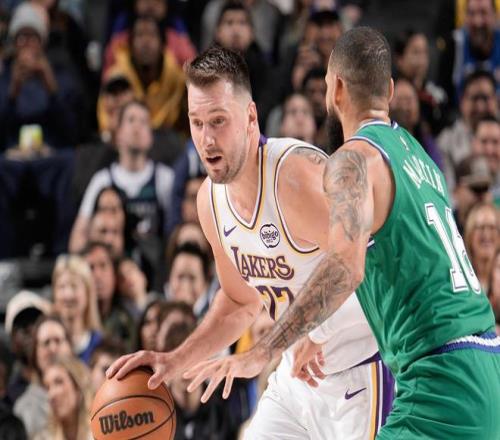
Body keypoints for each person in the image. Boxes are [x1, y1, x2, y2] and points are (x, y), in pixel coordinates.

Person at [179, 27, 500, 439]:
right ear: (389, 90)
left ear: (336, 89)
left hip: (438, 374)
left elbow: (346, 266)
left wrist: (264, 350)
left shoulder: (352, 161)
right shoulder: (419, 157)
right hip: (484, 358)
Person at [108, 46, 391, 439]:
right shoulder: (210, 201)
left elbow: (368, 265)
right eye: (196, 122)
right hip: (297, 376)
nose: (206, 139)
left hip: (362, 372)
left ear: (251, 117)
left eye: (218, 121)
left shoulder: (295, 176)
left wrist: (299, 337)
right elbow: (241, 302)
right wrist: (174, 360)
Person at [14, 316, 73, 439]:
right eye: (46, 343)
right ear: (35, 353)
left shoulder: (91, 390)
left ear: (70, 347)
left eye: (58, 341)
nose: (53, 349)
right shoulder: (24, 408)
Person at [51, 254, 102, 364]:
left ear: (88, 293)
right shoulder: (48, 344)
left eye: (74, 286)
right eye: (62, 287)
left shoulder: (100, 344)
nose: (68, 295)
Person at [35, 356, 93, 440]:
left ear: (78, 388)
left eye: (58, 382)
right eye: (47, 388)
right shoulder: (43, 438)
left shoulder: (100, 433)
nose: (51, 395)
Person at [464, 202, 499, 291]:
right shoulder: (461, 276)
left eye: (492, 227)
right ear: (470, 235)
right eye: (481, 227)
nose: (486, 234)